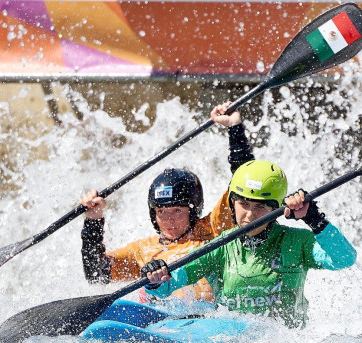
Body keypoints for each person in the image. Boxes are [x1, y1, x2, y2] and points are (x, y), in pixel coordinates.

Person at [140, 159, 357, 328]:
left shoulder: (297, 241)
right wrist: (156, 279)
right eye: (243, 204)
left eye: (260, 207)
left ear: (277, 210)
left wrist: (314, 219)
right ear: (232, 203)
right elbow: (171, 284)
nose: (249, 215)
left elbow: (344, 259)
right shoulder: (220, 247)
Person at [80, 102, 253, 302]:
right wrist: (93, 220)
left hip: (205, 324)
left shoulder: (212, 231)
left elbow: (244, 185)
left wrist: (234, 128)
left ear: (193, 210)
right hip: (159, 324)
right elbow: (96, 274)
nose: (169, 219)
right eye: (161, 212)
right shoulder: (141, 251)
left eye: (177, 211)